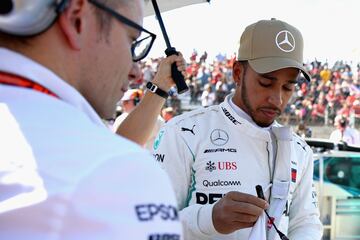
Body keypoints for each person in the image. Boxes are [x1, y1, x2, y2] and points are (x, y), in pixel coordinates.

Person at [0, 0, 184, 239]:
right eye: (131, 41)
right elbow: (103, 159)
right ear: (78, 18)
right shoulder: (118, 173)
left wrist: (159, 87)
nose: (135, 71)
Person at [153, 18, 323, 239]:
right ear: (237, 73)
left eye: (288, 87)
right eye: (265, 82)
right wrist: (209, 219)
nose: (277, 98)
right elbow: (152, 224)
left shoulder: (300, 150)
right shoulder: (183, 133)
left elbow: (306, 222)